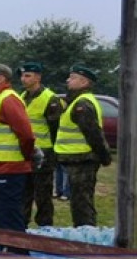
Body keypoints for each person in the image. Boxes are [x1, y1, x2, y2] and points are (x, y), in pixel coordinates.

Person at [0, 63, 37, 232]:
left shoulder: (8, 99)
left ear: (0, 78)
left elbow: (26, 135)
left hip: (9, 169)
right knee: (0, 219)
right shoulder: (0, 98)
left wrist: (26, 156)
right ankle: (6, 248)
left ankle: (16, 249)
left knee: (9, 219)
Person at [54, 64, 111, 227]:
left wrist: (105, 157)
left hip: (83, 160)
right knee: (78, 201)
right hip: (77, 159)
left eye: (72, 78)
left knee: (82, 204)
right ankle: (82, 231)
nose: (68, 80)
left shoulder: (82, 104)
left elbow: (94, 134)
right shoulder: (75, 101)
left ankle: (86, 234)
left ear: (84, 82)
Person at [18, 61, 62, 227]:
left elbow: (56, 129)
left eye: (27, 76)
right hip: (26, 152)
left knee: (42, 195)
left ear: (38, 77)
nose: (23, 79)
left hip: (44, 154)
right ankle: (22, 225)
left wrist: (54, 154)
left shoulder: (50, 99)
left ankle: (45, 227)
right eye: (22, 76)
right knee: (24, 192)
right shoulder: (22, 97)